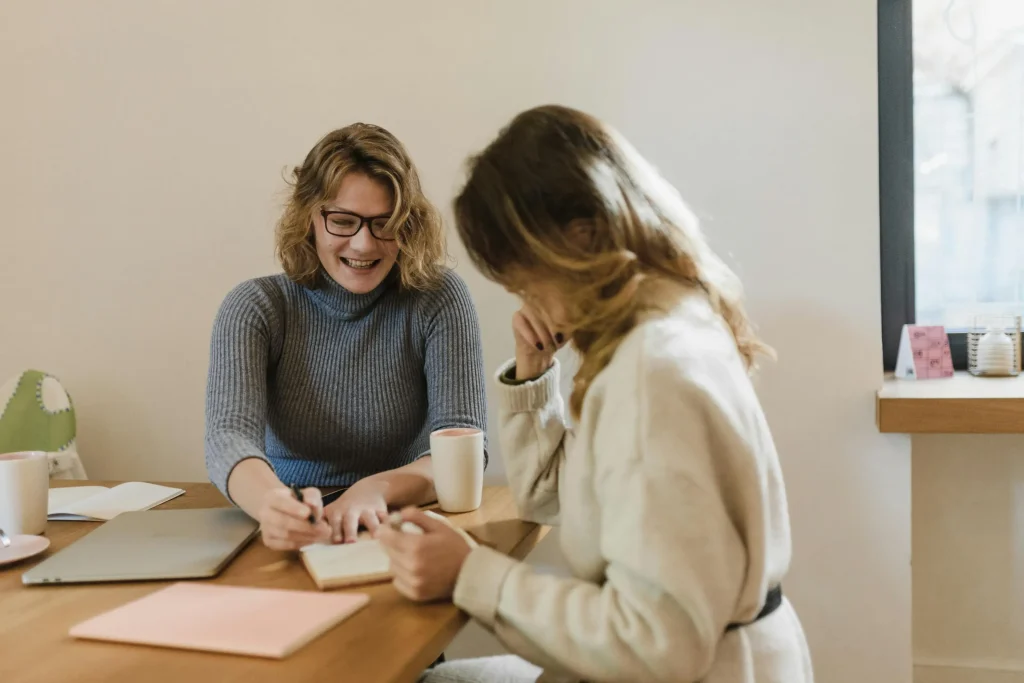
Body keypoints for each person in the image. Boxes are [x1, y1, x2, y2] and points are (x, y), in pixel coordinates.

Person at [378, 105, 813, 683]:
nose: (529, 306)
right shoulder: (678, 318)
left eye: (527, 282)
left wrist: (471, 575)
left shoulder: (650, 373)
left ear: (581, 238)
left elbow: (657, 642)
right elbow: (561, 500)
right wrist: (533, 376)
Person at [205, 123, 487, 549]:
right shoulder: (256, 306)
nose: (362, 244)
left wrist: (373, 491)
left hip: (399, 522)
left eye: (383, 223)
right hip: (294, 521)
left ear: (407, 224)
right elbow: (228, 438)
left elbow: (464, 450)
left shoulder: (439, 299)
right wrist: (273, 505)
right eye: (342, 221)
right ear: (309, 218)